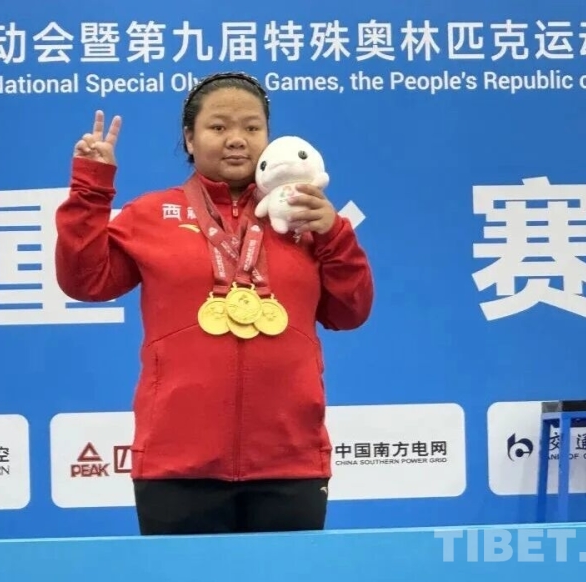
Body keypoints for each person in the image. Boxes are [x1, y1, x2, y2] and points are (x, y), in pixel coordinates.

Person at [55, 71, 374, 536]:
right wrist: (91, 188)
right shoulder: (151, 215)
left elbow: (351, 312)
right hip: (176, 463)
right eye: (218, 127)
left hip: (290, 460)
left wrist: (334, 234)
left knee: (284, 572)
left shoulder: (306, 218)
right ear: (190, 138)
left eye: (252, 127)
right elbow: (86, 282)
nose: (237, 140)